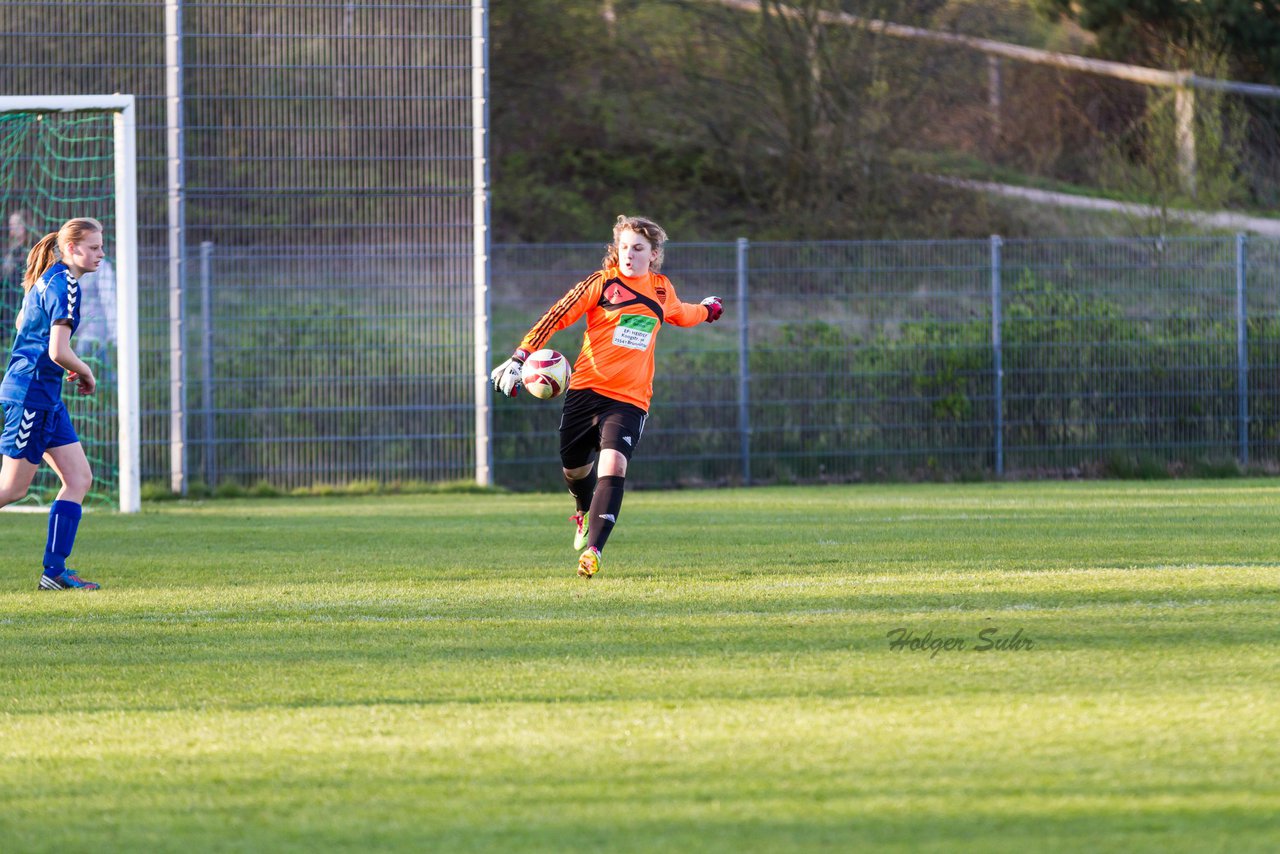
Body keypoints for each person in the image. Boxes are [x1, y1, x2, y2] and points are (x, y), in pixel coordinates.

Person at [491, 215, 724, 578]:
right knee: (574, 469)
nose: (629, 255)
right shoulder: (602, 284)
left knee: (613, 466)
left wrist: (708, 311)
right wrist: (521, 356)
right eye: (624, 247)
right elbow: (556, 316)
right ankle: (583, 510)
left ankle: (594, 551)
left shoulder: (662, 291)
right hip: (585, 390)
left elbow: (684, 313)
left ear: (654, 254)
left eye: (638, 248)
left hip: (630, 399)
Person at [0, 217, 104, 590]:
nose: (100, 254)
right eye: (93, 248)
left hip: (45, 398)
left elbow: (19, 325)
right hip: (31, 397)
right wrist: (85, 370)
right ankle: (55, 572)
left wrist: (59, 365)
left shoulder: (48, 277)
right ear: (72, 249)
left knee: (78, 478)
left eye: (101, 247)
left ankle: (54, 572)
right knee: (11, 490)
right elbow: (58, 350)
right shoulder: (66, 286)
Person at [1, 210, 38, 333]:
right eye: (11, 225)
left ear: (24, 226)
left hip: (28, 295)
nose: (12, 229)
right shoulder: (12, 248)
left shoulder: (35, 246)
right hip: (11, 297)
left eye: (15, 224)